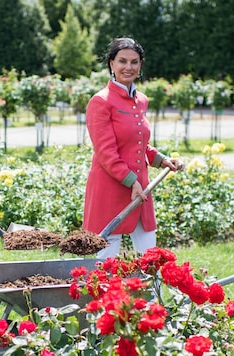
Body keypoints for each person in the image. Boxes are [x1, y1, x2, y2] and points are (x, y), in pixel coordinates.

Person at [83, 36, 182, 259]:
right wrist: (131, 181)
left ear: (140, 65)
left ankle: (151, 295)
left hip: (141, 190)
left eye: (134, 62)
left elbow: (139, 143)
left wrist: (162, 160)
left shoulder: (141, 100)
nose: (129, 67)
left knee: (151, 259)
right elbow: (106, 152)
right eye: (122, 61)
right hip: (110, 190)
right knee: (106, 267)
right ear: (111, 64)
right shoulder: (101, 101)